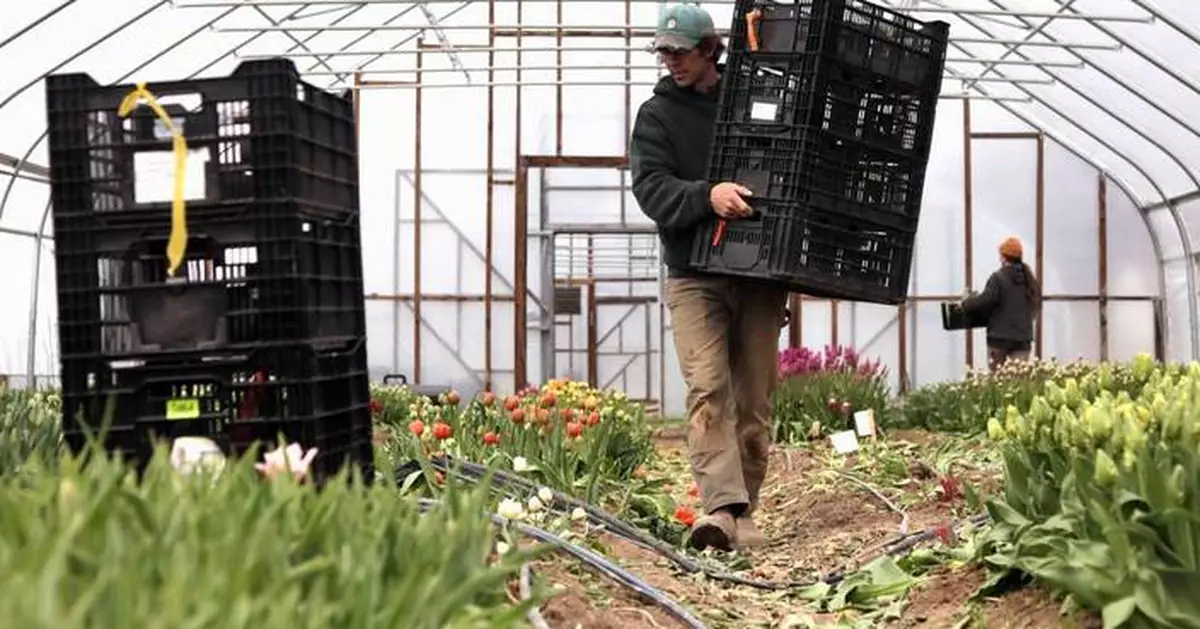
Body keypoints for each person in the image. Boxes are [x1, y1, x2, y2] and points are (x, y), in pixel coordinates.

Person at [629, 3, 789, 552]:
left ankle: (746, 507)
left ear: (710, 51)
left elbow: (785, 164)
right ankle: (721, 509)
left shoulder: (751, 101)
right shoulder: (656, 116)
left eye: (680, 52)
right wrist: (707, 195)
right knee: (708, 388)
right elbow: (651, 189)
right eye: (664, 52)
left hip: (758, 271)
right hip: (694, 273)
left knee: (754, 397)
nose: (671, 61)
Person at [959, 237, 1040, 370]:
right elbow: (1034, 306)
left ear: (1004, 257)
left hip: (999, 340)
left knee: (998, 382)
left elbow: (985, 300)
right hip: (1022, 341)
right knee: (1017, 383)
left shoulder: (998, 278)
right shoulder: (1029, 280)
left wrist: (966, 304)